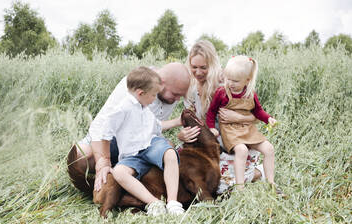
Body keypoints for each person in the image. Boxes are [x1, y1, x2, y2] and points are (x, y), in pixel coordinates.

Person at [70, 62, 190, 196]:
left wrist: (179, 122)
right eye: (175, 94)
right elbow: (101, 126)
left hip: (140, 143)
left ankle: (126, 172)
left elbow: (153, 125)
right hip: (112, 141)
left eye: (181, 96)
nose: (177, 100)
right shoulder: (136, 84)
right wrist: (103, 161)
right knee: (80, 157)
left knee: (168, 148)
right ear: (160, 82)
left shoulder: (172, 92)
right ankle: (112, 172)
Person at [93, 66, 185, 215]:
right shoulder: (121, 109)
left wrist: (178, 121)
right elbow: (105, 134)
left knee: (170, 153)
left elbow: (158, 126)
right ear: (141, 93)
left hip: (150, 146)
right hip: (132, 154)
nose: (155, 98)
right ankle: (153, 202)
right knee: (119, 172)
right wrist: (106, 160)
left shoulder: (144, 107)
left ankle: (173, 202)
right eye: (154, 95)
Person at [180, 40, 266, 193]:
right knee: (184, 168)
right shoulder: (190, 86)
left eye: (203, 68)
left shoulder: (226, 83)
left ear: (211, 65)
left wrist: (239, 118)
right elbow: (191, 118)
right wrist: (184, 134)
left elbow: (256, 115)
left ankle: (256, 173)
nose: (198, 72)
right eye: (194, 67)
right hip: (205, 139)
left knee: (219, 186)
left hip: (230, 140)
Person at [206, 55, 278, 191]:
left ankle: (271, 183)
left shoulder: (251, 93)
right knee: (242, 150)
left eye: (235, 81)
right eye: (227, 79)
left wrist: (268, 118)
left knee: (269, 149)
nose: (230, 83)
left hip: (247, 129)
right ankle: (240, 187)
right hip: (230, 131)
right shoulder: (222, 93)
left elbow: (258, 111)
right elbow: (211, 112)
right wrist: (211, 128)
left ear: (247, 80)